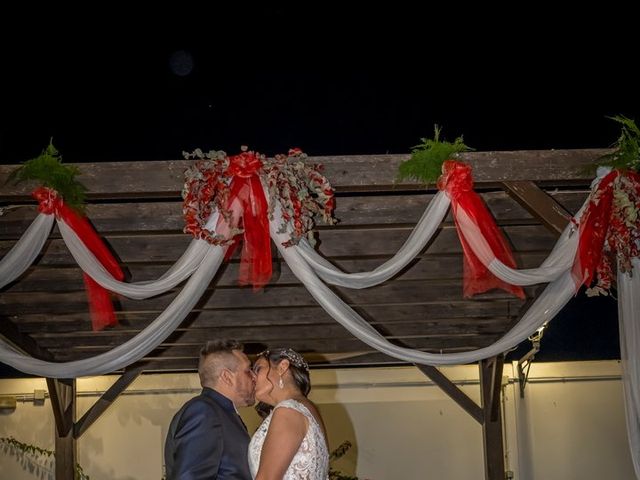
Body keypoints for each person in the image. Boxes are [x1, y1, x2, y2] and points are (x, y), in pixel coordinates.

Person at [164, 339, 256, 480]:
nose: (254, 377)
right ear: (227, 377)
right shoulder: (204, 412)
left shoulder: (220, 412)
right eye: (248, 371)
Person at [248, 348, 329, 480]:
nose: (252, 377)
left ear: (282, 367)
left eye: (258, 369)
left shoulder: (288, 410)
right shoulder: (305, 408)